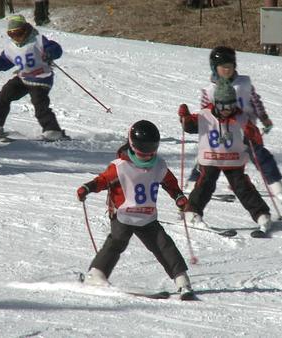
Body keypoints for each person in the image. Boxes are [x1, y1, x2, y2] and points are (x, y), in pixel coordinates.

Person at [76, 120, 195, 300]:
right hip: (123, 215)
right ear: (132, 145)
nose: (147, 157)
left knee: (164, 245)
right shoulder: (120, 166)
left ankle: (182, 281)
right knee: (116, 242)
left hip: (147, 217)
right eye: (142, 153)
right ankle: (96, 275)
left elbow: (169, 183)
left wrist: (178, 197)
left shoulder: (159, 165)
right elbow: (102, 180)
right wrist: (87, 187)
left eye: (150, 153)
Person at [185, 46, 282, 204]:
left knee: (261, 156)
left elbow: (256, 102)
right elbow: (204, 114)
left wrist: (264, 118)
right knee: (209, 158)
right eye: (223, 67)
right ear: (215, 68)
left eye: (230, 66)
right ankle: (193, 184)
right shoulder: (210, 91)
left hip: (245, 131)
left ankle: (278, 188)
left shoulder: (244, 84)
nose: (227, 70)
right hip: (221, 131)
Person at [179, 78, 273, 236]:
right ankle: (192, 213)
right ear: (216, 103)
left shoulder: (240, 117)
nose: (226, 109)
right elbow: (189, 126)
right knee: (205, 183)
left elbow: (254, 135)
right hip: (211, 158)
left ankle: (262, 215)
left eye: (230, 105)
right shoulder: (204, 115)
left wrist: (253, 137)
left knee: (242, 187)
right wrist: (185, 117)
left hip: (233, 159)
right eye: (223, 105)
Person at [0, 14, 66, 141]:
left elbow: (56, 48)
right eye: (11, 34)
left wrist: (50, 53)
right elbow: (4, 65)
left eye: (18, 33)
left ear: (25, 30)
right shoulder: (11, 47)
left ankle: (53, 130)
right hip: (23, 77)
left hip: (41, 77)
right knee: (2, 97)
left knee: (39, 104)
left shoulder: (37, 40)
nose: (16, 37)